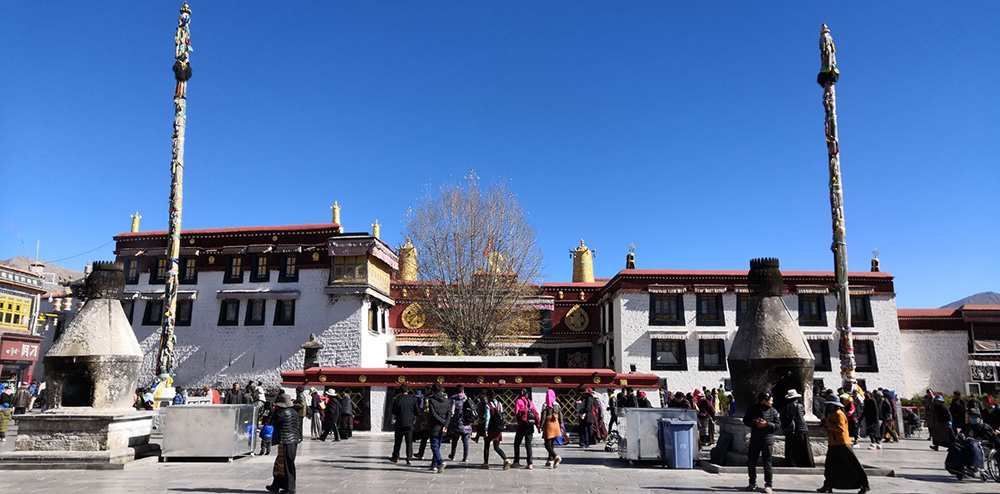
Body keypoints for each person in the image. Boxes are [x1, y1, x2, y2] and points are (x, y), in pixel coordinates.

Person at [817, 394, 870, 494]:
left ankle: (864, 485)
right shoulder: (832, 413)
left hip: (842, 443)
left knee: (852, 465)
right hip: (833, 443)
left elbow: (841, 429)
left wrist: (829, 424)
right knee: (830, 466)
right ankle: (828, 484)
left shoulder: (839, 414)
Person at [742, 391, 780, 494]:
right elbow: (746, 420)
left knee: (767, 463)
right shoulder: (753, 409)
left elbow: (777, 425)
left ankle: (768, 485)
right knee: (751, 461)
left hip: (767, 440)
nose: (772, 402)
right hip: (755, 439)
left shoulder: (773, 411)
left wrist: (767, 424)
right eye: (770, 400)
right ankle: (752, 482)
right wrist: (755, 423)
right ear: (764, 400)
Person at [266, 393, 302, 494]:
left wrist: (274, 412)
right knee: (280, 464)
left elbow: (272, 422)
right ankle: (276, 485)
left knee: (287, 464)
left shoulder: (281, 413)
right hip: (293, 439)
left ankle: (290, 488)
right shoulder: (294, 412)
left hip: (285, 440)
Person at [781, 389, 815, 467]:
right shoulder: (799, 406)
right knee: (803, 447)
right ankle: (806, 462)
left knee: (791, 448)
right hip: (801, 428)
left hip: (790, 429)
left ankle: (792, 463)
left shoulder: (784, 407)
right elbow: (803, 413)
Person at [480, 388, 511, 470]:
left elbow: (487, 418)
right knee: (496, 447)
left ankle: (486, 463)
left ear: (488, 396)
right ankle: (506, 459)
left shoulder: (488, 405)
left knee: (486, 445)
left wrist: (486, 429)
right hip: (498, 428)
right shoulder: (499, 404)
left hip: (491, 428)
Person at [425, 383, 453, 473]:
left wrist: (442, 422)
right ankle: (434, 464)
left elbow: (433, 414)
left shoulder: (432, 400)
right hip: (443, 427)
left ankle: (440, 462)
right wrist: (445, 425)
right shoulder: (447, 401)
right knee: (437, 445)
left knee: (434, 446)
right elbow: (449, 415)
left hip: (434, 425)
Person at [389, 384, 419, 465]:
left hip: (400, 423)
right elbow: (417, 411)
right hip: (409, 423)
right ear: (408, 390)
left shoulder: (397, 399)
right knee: (409, 442)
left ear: (400, 391)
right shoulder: (413, 399)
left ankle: (396, 457)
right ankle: (409, 458)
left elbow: (394, 411)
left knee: (397, 442)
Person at [512, 388, 541, 469]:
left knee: (517, 443)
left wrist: (518, 420)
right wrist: (538, 426)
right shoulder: (531, 403)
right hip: (530, 425)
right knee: (528, 444)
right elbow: (535, 414)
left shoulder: (518, 401)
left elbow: (516, 413)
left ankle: (516, 461)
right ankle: (529, 463)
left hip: (522, 425)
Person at [448, 385, 472, 462]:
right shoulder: (466, 399)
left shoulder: (453, 399)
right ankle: (465, 456)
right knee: (465, 439)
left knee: (455, 439)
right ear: (463, 391)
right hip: (465, 421)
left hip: (456, 421)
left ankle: (452, 455)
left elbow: (449, 410)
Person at [541, 389, 563, 468]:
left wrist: (540, 426)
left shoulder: (545, 405)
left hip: (548, 425)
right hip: (556, 424)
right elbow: (560, 416)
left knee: (547, 444)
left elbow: (543, 417)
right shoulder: (557, 405)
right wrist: (560, 425)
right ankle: (550, 461)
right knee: (552, 443)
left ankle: (555, 456)